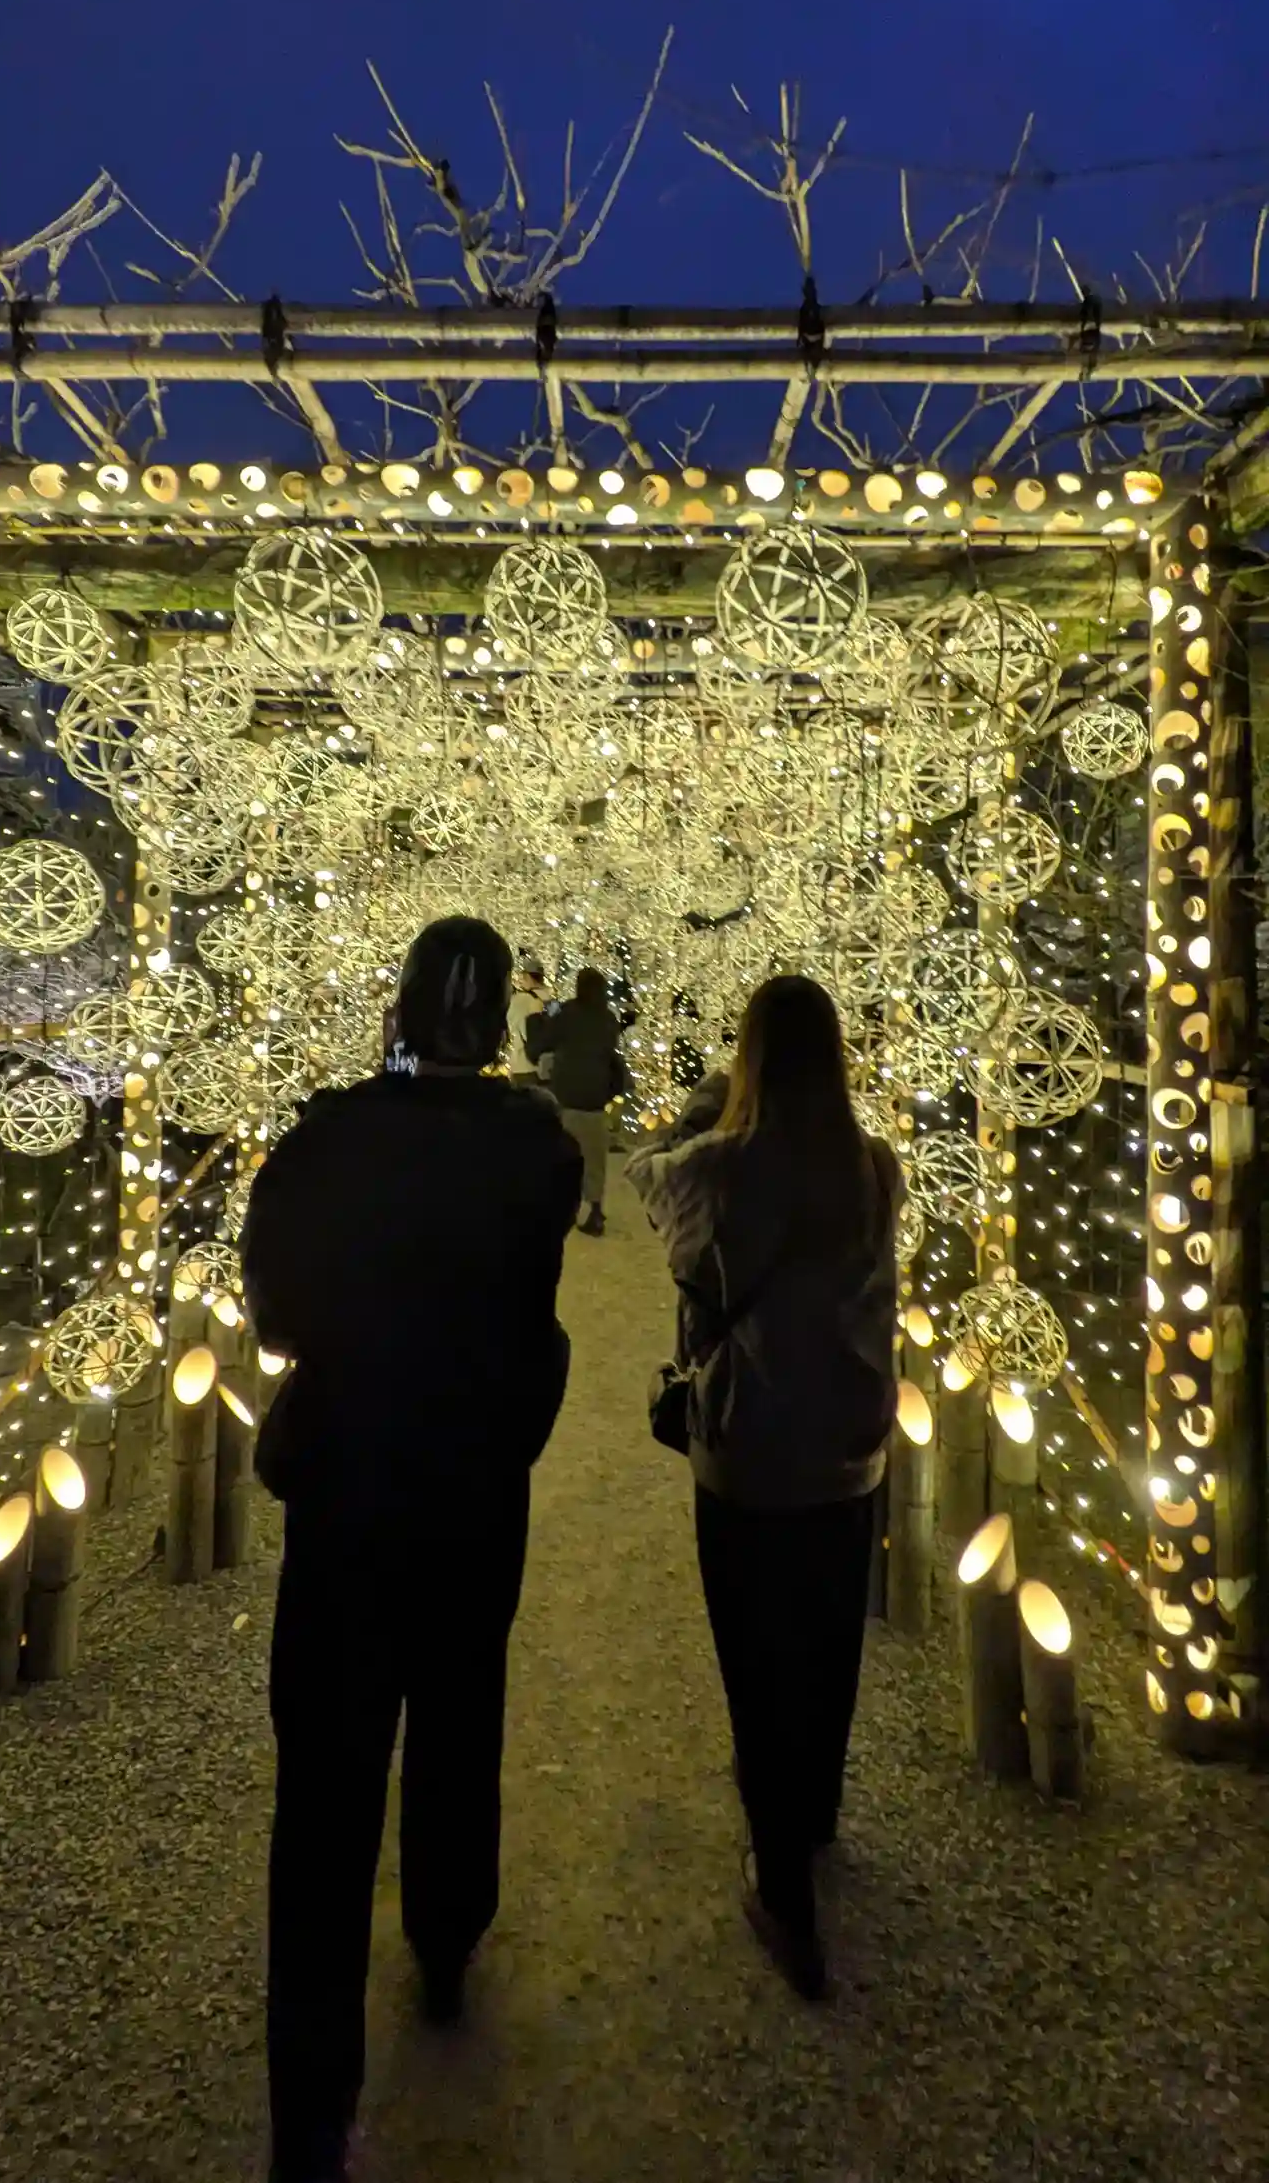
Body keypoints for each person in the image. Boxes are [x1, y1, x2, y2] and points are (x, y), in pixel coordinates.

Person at [243, 917, 583, 2183]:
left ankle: (311, 2102)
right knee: (457, 1710)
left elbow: (276, 1313)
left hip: (349, 1493)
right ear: (497, 1021)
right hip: (473, 1488)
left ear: (397, 1009)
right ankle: (445, 1934)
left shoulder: (329, 1140)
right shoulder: (533, 1149)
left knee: (325, 1783)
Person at [625, 976, 901, 2000]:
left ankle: (782, 1884)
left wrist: (707, 1101)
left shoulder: (723, 1167)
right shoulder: (873, 1166)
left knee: (756, 1652)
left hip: (749, 1448)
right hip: (849, 1444)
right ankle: (814, 1808)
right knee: (827, 1638)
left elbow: (648, 1181)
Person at [526, 965, 625, 1236]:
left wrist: (535, 1021)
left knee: (563, 1154)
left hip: (567, 1094)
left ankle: (560, 1206)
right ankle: (595, 1208)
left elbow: (541, 1044)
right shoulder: (608, 1018)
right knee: (595, 1158)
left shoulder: (568, 1013)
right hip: (596, 1097)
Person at [505, 955, 549, 1086]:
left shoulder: (520, 999)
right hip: (547, 1069)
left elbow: (510, 1024)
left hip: (523, 1067)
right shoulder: (551, 1000)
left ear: (528, 977)